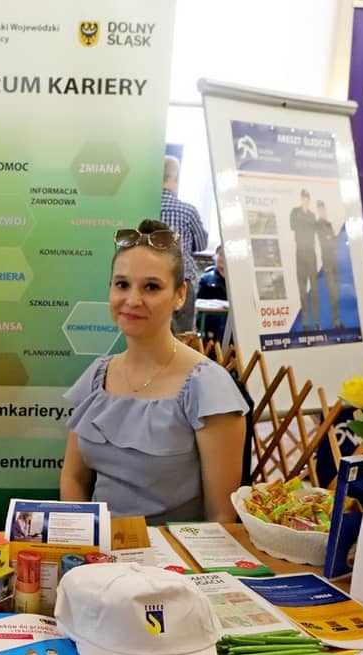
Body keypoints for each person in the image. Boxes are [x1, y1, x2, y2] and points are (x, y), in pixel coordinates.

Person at [60, 220, 247, 524]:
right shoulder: (97, 376)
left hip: (174, 552)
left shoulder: (207, 386)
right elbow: (73, 478)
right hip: (99, 549)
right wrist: (82, 537)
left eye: (151, 287)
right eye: (122, 284)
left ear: (180, 295)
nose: (132, 300)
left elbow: (221, 517)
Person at [159, 156, 208, 334]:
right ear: (177, 178)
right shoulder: (188, 211)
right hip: (181, 281)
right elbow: (202, 244)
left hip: (152, 282)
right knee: (181, 337)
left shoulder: (145, 208)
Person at [290, 189, 319, 331]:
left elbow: (313, 229)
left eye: (307, 198)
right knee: (302, 290)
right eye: (303, 198)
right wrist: (304, 221)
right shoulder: (295, 212)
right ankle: (306, 322)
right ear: (301, 199)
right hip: (300, 253)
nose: (305, 200)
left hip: (311, 254)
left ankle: (317, 321)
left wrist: (305, 222)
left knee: (314, 289)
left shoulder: (312, 215)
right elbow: (293, 226)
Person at [315, 200, 342, 329]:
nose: (323, 211)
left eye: (323, 209)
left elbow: (335, 242)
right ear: (318, 211)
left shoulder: (329, 224)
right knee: (331, 292)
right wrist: (331, 239)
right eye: (320, 209)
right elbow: (325, 241)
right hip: (326, 263)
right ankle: (330, 323)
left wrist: (332, 239)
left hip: (334, 260)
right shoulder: (318, 225)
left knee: (337, 291)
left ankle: (337, 321)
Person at [196, 245, 228, 344]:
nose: (223, 258)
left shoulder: (235, 279)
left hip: (230, 314)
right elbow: (199, 301)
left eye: (226, 255)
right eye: (220, 254)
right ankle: (219, 348)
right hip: (210, 315)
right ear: (214, 256)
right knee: (223, 321)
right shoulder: (206, 278)